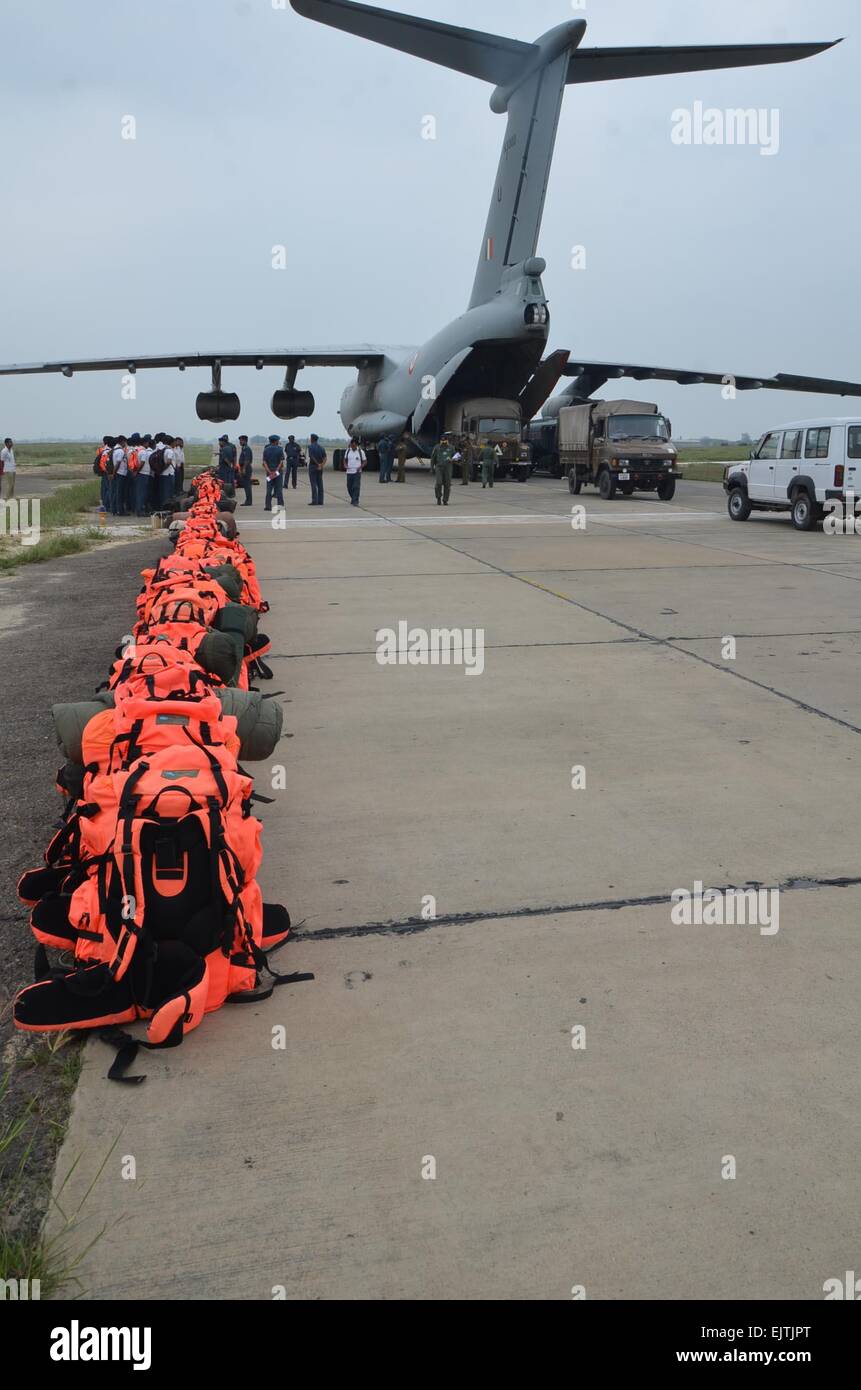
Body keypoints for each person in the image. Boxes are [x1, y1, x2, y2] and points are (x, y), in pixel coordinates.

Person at [263, 435, 286, 511]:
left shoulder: (266, 449)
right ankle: (280, 506)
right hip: (277, 472)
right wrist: (276, 470)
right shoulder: (280, 449)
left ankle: (268, 506)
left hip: (269, 472)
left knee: (269, 489)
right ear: (276, 441)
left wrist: (269, 471)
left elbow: (264, 462)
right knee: (279, 489)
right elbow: (281, 461)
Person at [430, 435, 454, 506]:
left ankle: (445, 500)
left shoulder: (451, 447)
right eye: (442, 440)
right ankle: (438, 498)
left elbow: (456, 455)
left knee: (447, 484)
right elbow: (433, 458)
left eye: (444, 441)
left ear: (447, 440)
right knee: (439, 483)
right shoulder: (437, 447)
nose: (443, 442)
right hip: (439, 467)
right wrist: (432, 468)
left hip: (448, 468)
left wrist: (453, 459)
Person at [344, 437, 366, 506]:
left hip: (357, 472)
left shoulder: (361, 452)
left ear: (356, 445)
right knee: (349, 486)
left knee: (356, 486)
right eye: (351, 445)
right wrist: (345, 465)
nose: (352, 447)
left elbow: (365, 461)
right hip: (349, 472)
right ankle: (353, 498)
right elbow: (345, 459)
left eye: (354, 445)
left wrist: (360, 467)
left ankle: (355, 500)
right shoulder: (348, 451)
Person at [307, 434, 327, 506]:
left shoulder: (311, 447)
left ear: (312, 439)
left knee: (313, 484)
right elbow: (325, 458)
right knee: (320, 484)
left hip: (313, 466)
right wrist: (321, 465)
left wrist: (317, 464)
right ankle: (321, 500)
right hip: (320, 467)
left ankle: (314, 500)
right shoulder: (321, 447)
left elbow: (311, 457)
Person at [111, 436, 128, 515]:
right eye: (125, 442)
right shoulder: (120, 451)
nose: (125, 444)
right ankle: (120, 511)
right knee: (120, 493)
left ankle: (115, 509)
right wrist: (114, 473)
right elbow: (118, 463)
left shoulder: (115, 449)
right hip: (120, 473)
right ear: (122, 441)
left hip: (118, 473)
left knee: (117, 492)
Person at [135, 436, 152, 516]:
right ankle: (140, 510)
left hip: (141, 474)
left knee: (140, 492)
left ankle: (139, 509)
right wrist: (138, 471)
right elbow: (142, 463)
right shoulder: (143, 452)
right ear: (145, 443)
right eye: (147, 442)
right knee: (142, 493)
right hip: (143, 474)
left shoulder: (138, 450)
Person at [159, 437, 177, 508]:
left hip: (164, 474)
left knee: (164, 491)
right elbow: (169, 461)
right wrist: (163, 469)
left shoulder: (164, 450)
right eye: (174, 442)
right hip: (168, 473)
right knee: (168, 491)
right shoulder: (169, 451)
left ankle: (163, 505)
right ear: (171, 443)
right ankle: (166, 506)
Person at [238, 435, 254, 506]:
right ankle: (248, 500)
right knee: (246, 485)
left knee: (247, 485)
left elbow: (247, 460)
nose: (240, 442)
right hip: (244, 468)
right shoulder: (244, 448)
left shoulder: (247, 449)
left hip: (246, 468)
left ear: (245, 441)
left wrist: (244, 468)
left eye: (241, 440)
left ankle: (248, 501)